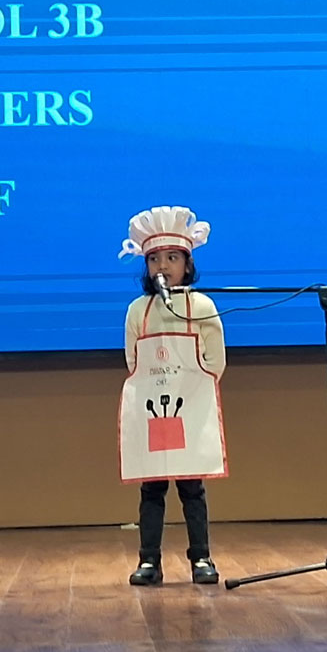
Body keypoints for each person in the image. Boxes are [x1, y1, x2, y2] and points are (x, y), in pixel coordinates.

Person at [117, 206, 226, 586]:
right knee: (152, 488)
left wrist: (191, 394)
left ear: (188, 264)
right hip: (154, 414)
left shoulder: (202, 306)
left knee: (192, 488)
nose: (162, 266)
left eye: (172, 258)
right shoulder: (138, 311)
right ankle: (149, 560)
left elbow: (215, 361)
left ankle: (201, 558)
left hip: (189, 411)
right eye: (154, 259)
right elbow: (133, 361)